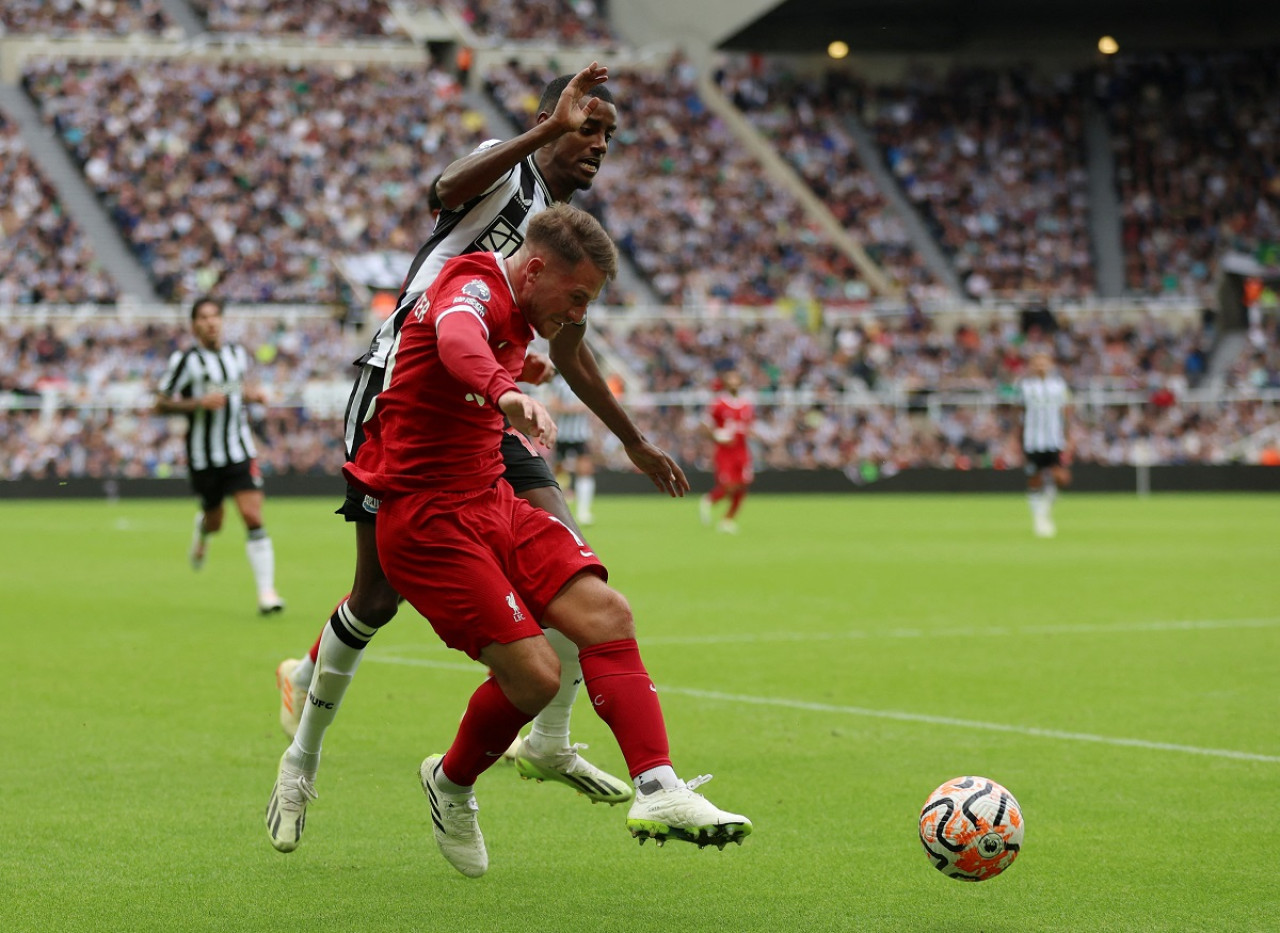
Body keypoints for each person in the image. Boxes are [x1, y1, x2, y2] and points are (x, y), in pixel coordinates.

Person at [267, 64, 691, 853]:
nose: (598, 144)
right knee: (376, 595)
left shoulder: (561, 232)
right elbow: (440, 190)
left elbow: (569, 346)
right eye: (586, 126)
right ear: (550, 119)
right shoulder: (511, 174)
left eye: (607, 135)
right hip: (410, 388)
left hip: (495, 404)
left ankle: (550, 737)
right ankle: (302, 751)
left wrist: (630, 436)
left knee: (574, 569)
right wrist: (540, 132)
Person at [336, 204, 751, 876]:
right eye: (576, 297)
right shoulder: (469, 283)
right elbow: (457, 339)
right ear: (533, 270)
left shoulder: (521, 315)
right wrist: (505, 390)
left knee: (607, 612)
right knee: (534, 675)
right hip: (425, 520)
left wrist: (519, 376)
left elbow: (473, 357)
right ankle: (450, 782)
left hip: (490, 499)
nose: (577, 314)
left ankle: (659, 787)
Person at [155, 295, 284, 615]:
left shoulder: (236, 354)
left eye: (215, 316)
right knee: (216, 521)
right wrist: (198, 402)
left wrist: (253, 396)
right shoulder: (185, 361)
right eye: (204, 318)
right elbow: (160, 402)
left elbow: (235, 390)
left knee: (253, 516)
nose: (211, 322)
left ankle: (267, 593)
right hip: (203, 457)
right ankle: (202, 529)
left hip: (239, 449)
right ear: (194, 325)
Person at [1018, 351, 1072, 537]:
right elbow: (1018, 413)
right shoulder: (1025, 386)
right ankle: (1038, 518)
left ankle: (1045, 510)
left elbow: (1066, 413)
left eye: (1044, 362)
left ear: (1050, 364)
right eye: (1037, 362)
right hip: (1032, 441)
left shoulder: (1059, 386)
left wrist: (1069, 437)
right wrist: (1015, 439)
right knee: (1035, 479)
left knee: (1061, 478)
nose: (1041, 366)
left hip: (1054, 439)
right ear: (1032, 365)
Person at [698, 368, 755, 534]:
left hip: (742, 449)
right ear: (725, 383)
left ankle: (727, 521)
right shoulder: (718, 404)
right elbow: (704, 426)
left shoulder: (746, 404)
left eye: (736, 378)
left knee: (743, 485)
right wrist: (716, 435)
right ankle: (709, 500)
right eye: (730, 379)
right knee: (729, 485)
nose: (734, 382)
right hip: (725, 451)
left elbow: (748, 426)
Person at [546, 373, 598, 525]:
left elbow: (590, 404)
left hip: (580, 435)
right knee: (558, 472)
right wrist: (572, 409)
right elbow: (555, 405)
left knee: (585, 470)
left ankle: (583, 512)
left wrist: (569, 408)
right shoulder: (558, 382)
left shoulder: (584, 380)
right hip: (562, 434)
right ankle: (556, 510)